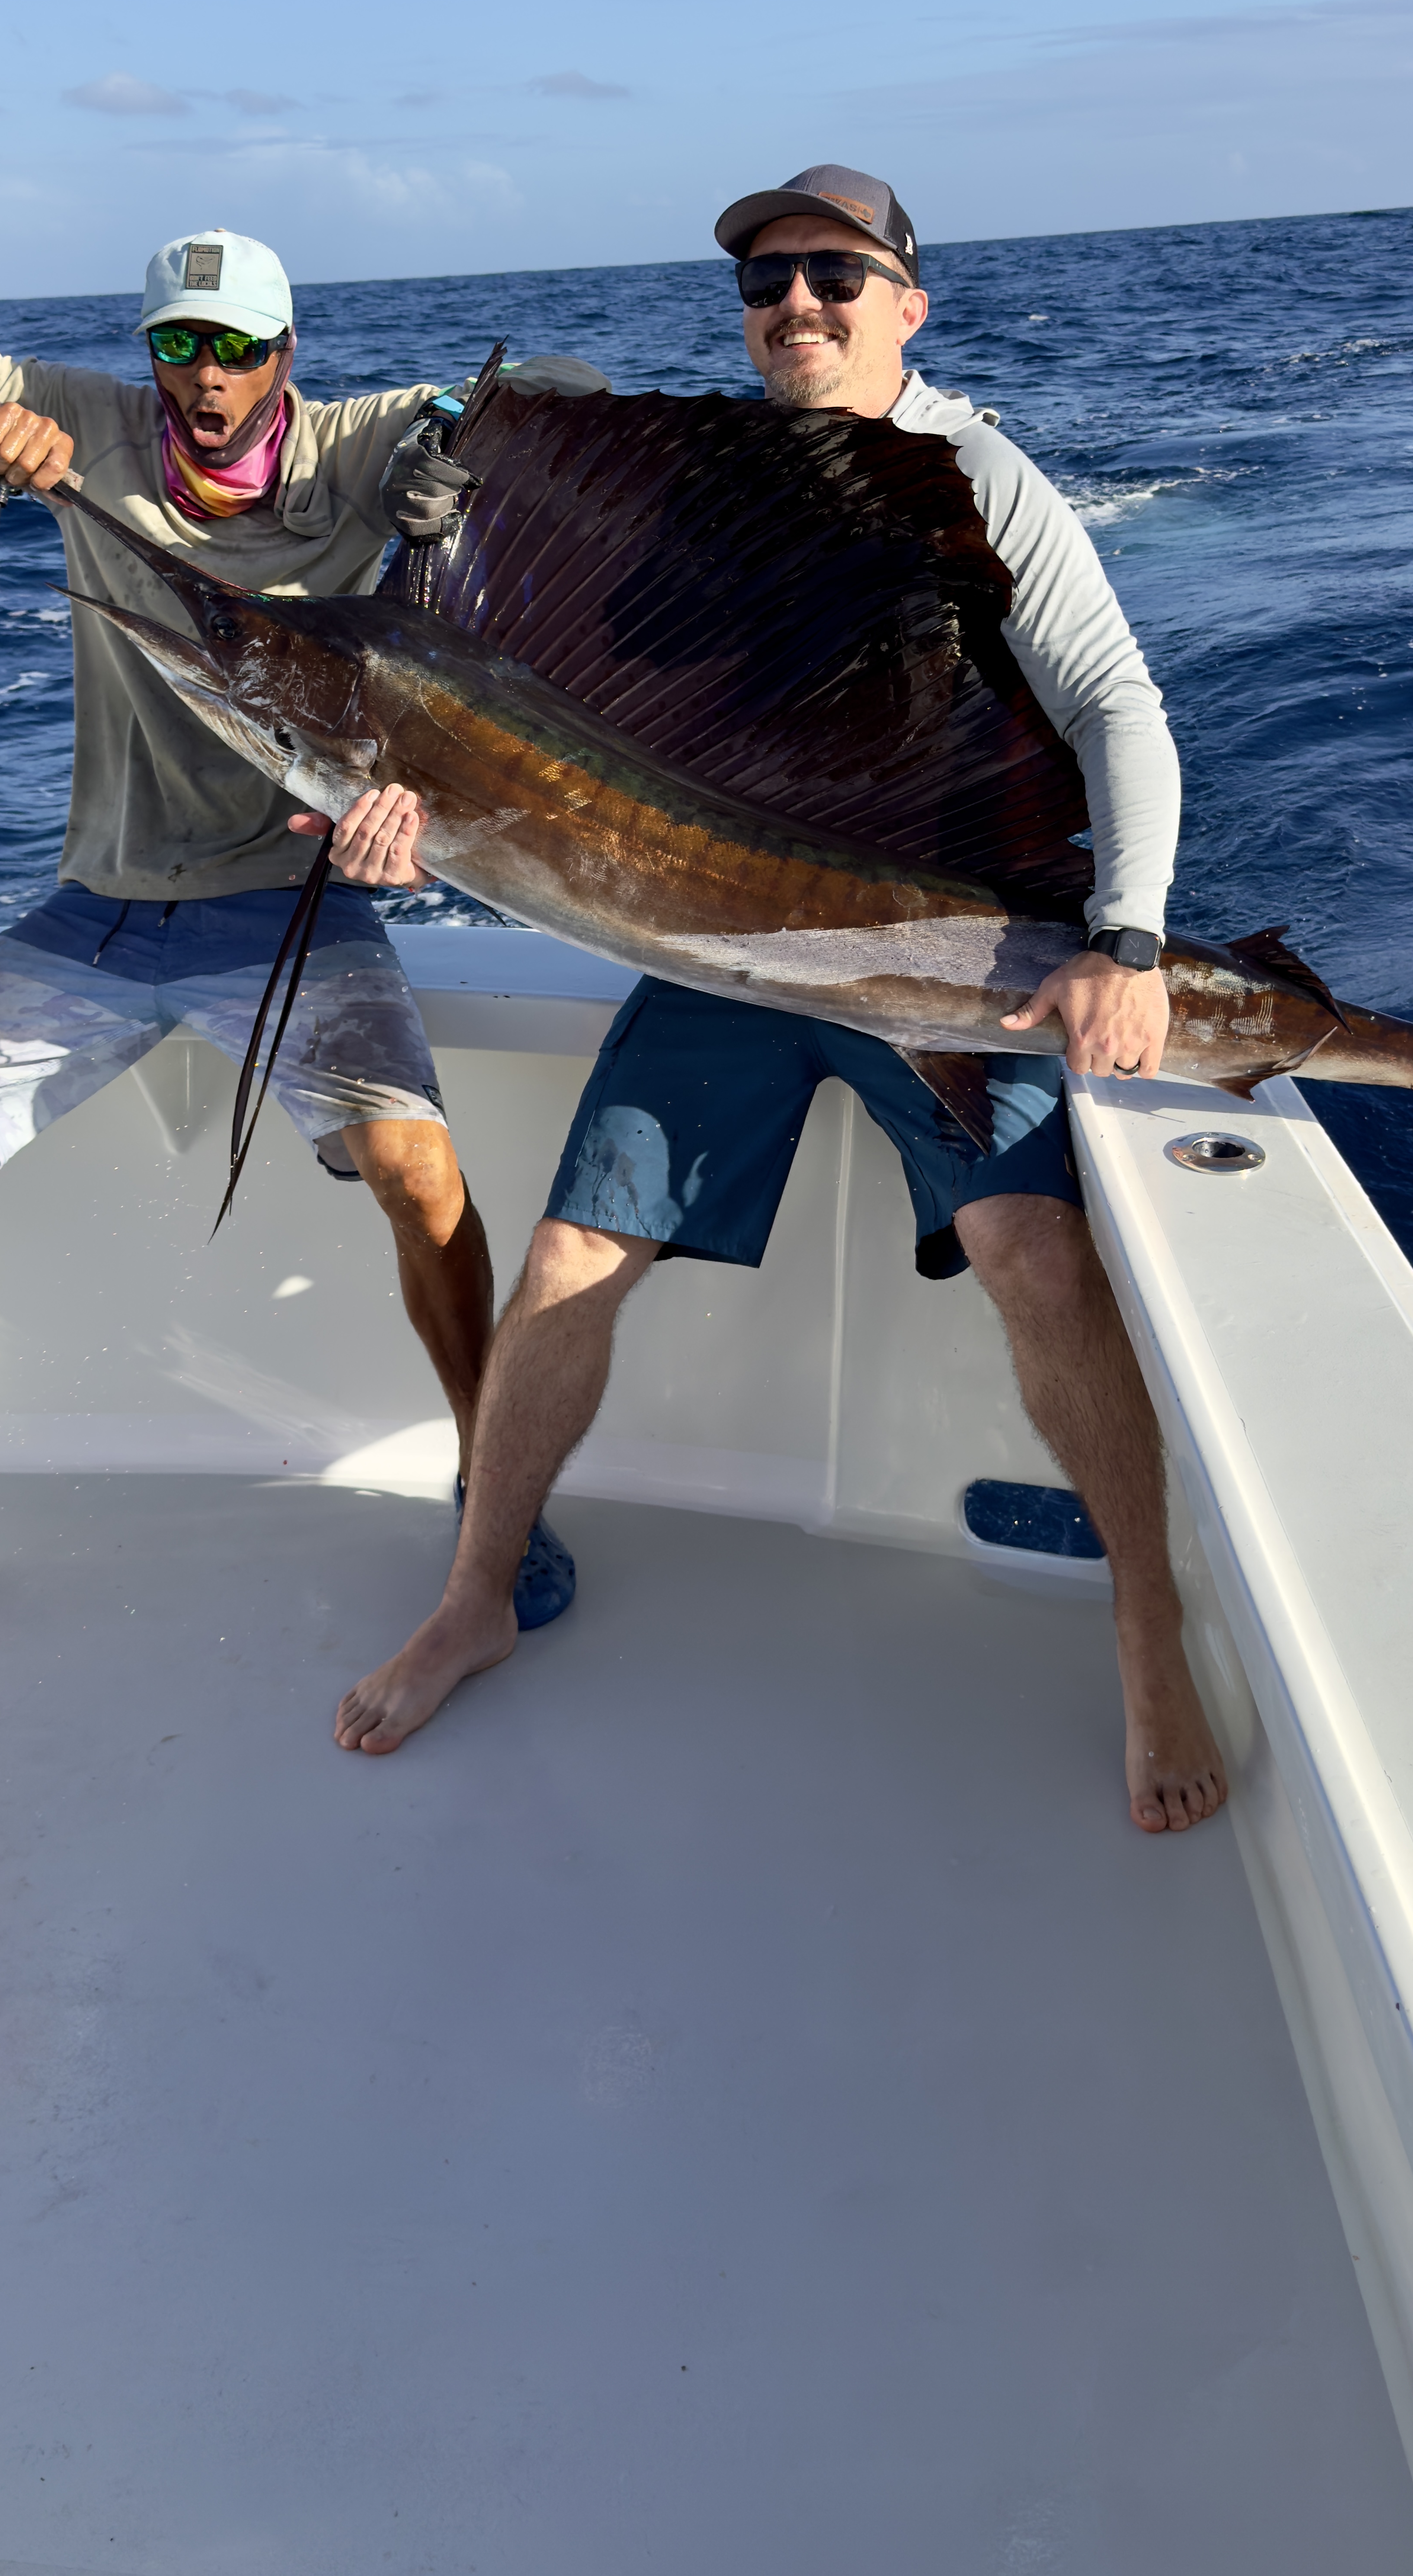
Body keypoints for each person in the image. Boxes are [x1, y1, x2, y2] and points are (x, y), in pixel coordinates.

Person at [324, 164, 1229, 1835]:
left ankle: (1146, 1618)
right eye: (764, 284)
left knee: (1035, 1255)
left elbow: (1117, 705)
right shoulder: (711, 488)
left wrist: (1129, 941)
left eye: (832, 275)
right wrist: (432, 558)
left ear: (907, 304)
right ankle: (478, 1594)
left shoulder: (981, 474)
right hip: (734, 955)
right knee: (570, 1257)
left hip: (953, 954)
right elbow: (550, 725)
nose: (795, 304)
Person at [0, 228, 600, 1671]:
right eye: (179, 345)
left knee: (420, 1175)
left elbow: (568, 386)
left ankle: (490, 1488)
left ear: (286, 353)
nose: (207, 375)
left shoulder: (357, 444)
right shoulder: (91, 424)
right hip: (105, 908)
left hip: (294, 904)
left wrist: (463, 444)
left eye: (237, 346)